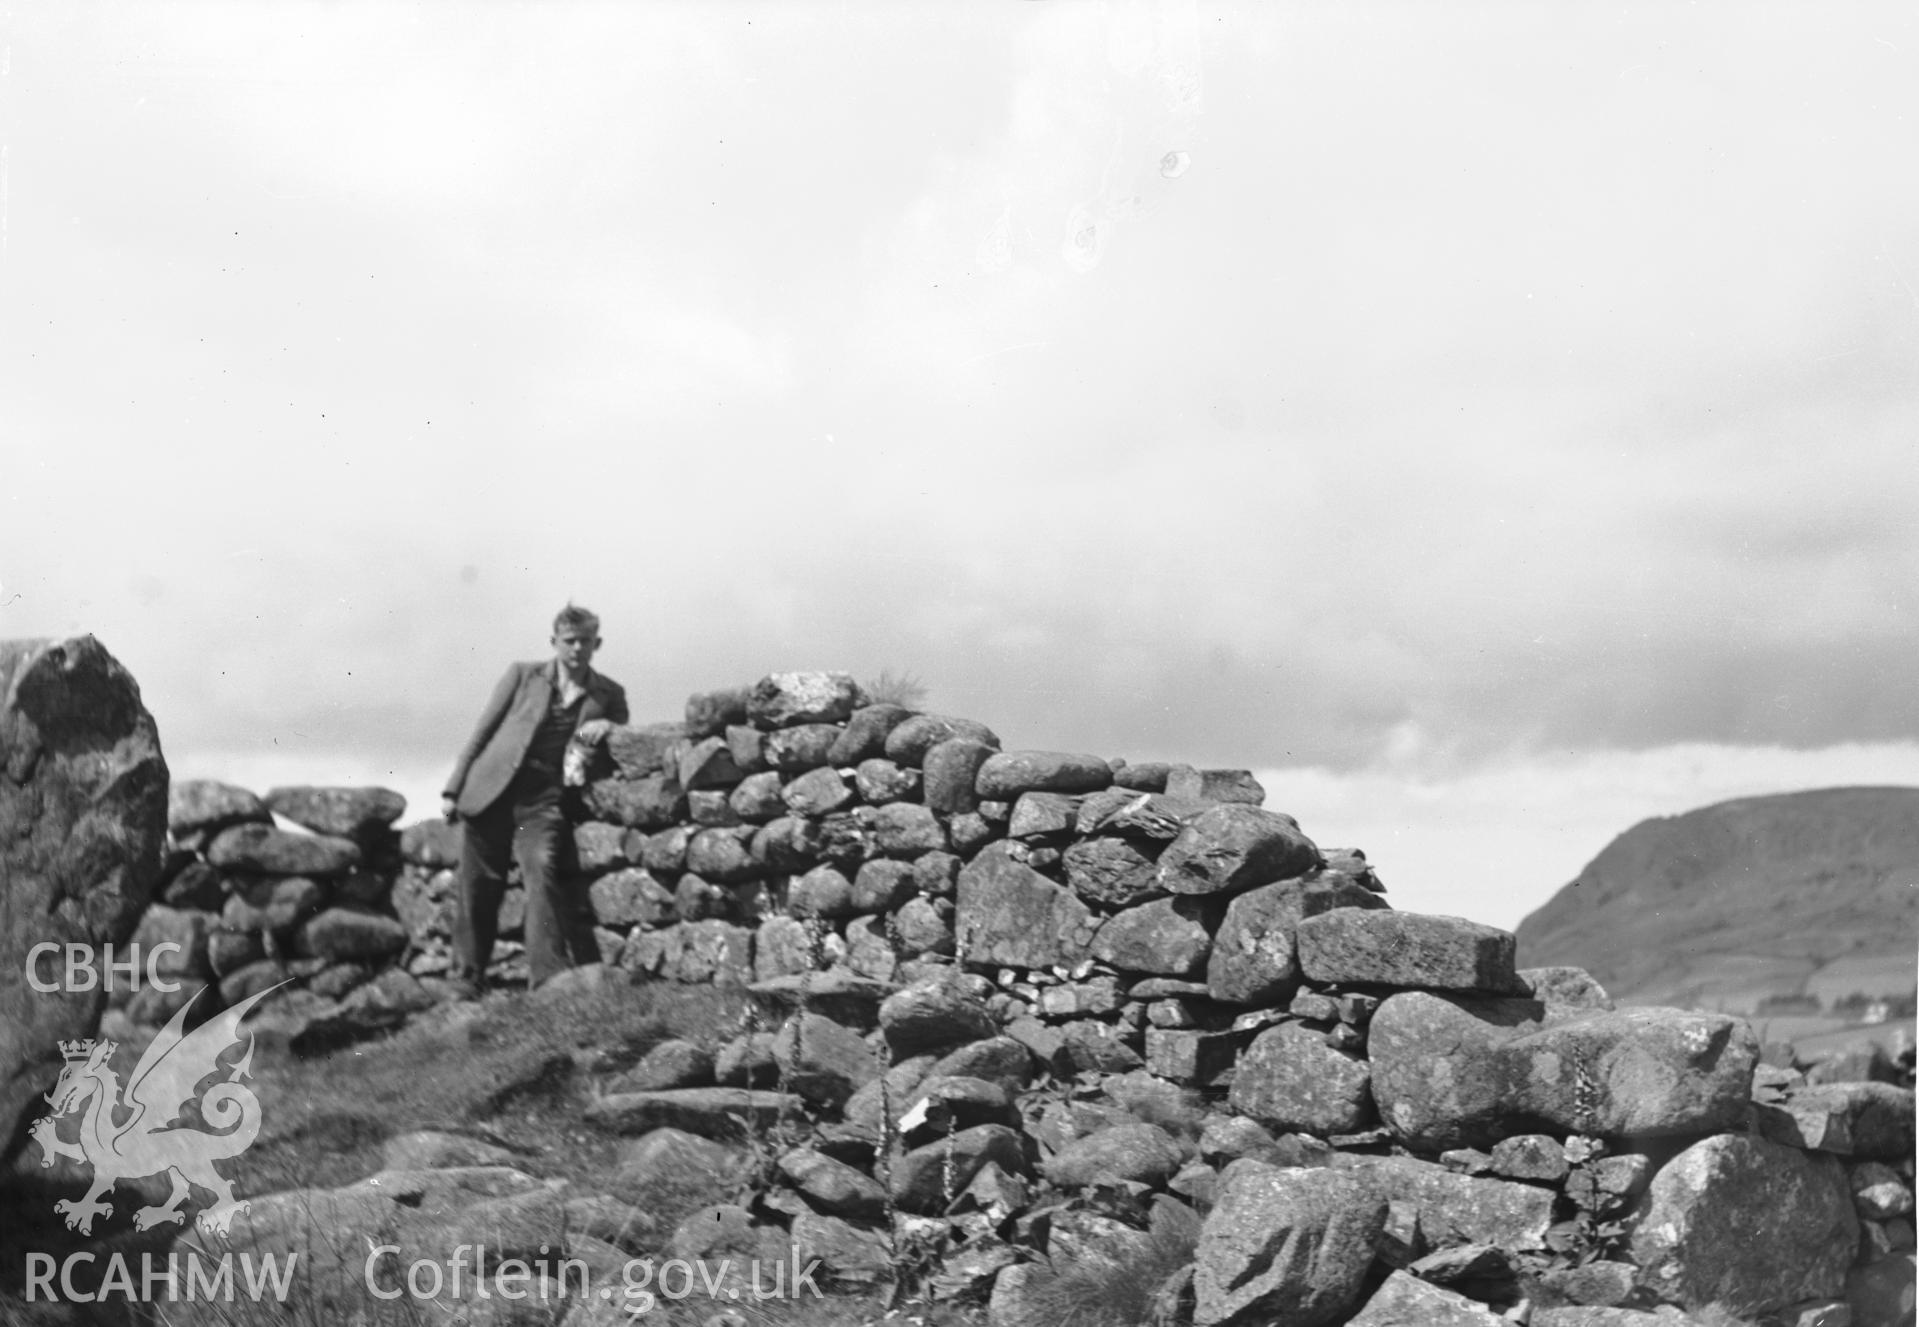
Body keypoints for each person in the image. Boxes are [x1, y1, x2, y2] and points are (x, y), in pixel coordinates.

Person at [441, 604, 629, 994]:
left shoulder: (609, 694)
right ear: (554, 642)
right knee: (478, 882)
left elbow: (622, 740)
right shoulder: (523, 676)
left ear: (598, 643)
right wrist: (453, 789)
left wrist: (606, 725)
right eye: (569, 641)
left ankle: (548, 978)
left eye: (585, 641)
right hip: (492, 789)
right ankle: (466, 977)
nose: (577, 648)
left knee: (540, 869)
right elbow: (483, 730)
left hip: (544, 799)